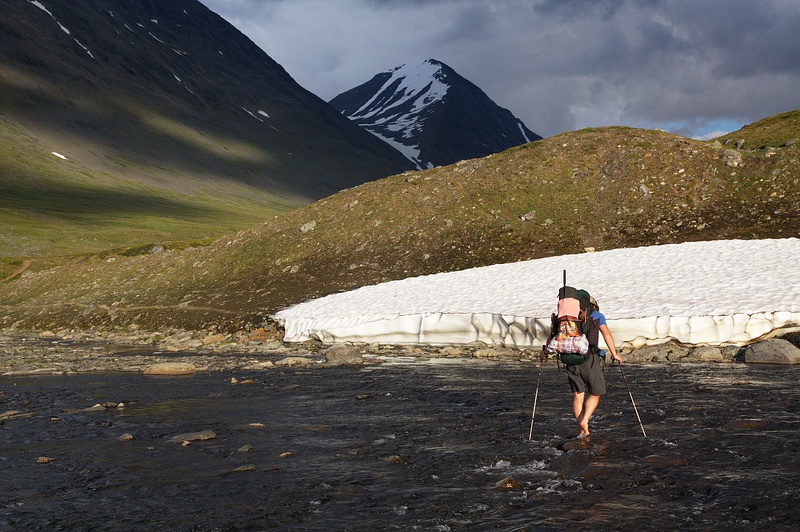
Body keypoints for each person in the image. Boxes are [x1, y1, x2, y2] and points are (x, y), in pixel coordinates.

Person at [568, 296, 622, 439]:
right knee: (596, 392)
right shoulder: (596, 315)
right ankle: (585, 420)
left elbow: (554, 335)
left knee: (578, 395)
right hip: (589, 358)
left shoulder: (568, 316)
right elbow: (606, 333)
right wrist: (614, 353)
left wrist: (545, 352)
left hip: (570, 359)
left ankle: (583, 431)